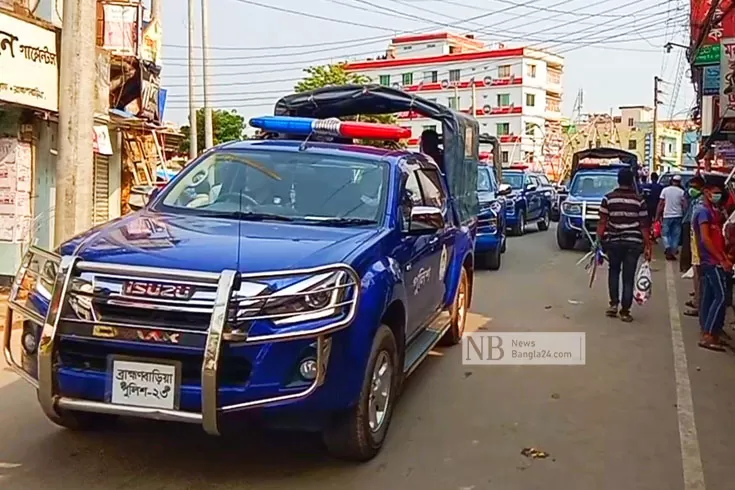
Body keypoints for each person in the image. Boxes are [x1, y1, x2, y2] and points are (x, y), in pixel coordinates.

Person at [597, 167, 652, 322]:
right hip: (633, 243)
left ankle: (614, 304)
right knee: (628, 276)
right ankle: (625, 311)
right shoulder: (639, 200)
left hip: (613, 242)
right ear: (632, 181)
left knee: (614, 271)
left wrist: (598, 240)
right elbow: (643, 225)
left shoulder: (608, 199)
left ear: (618, 180)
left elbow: (602, 222)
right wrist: (648, 245)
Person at [692, 181, 731, 351]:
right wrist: (721, 258)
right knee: (720, 297)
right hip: (711, 261)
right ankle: (708, 334)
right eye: (715, 192)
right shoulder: (703, 212)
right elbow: (706, 239)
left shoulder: (713, 212)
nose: (718, 196)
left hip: (712, 259)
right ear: (706, 192)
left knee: (708, 297)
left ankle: (709, 331)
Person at [683, 175, 705, 317]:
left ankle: (699, 304)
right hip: (695, 244)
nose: (691, 189)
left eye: (695, 187)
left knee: (700, 276)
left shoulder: (702, 204)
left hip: (700, 246)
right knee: (697, 275)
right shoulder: (696, 200)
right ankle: (697, 300)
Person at [657, 174, 687, 260]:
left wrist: (657, 215)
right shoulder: (681, 192)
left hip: (667, 215)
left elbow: (661, 204)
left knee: (665, 234)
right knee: (676, 235)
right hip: (678, 215)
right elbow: (685, 205)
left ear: (672, 181)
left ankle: (667, 247)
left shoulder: (665, 190)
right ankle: (673, 250)